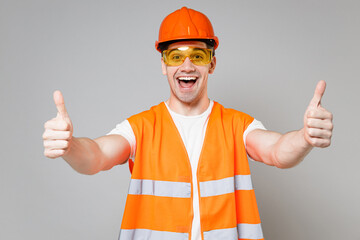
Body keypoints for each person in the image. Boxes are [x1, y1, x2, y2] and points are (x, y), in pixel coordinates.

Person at [42, 6, 333, 240]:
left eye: (198, 55)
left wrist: (305, 138)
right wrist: (70, 147)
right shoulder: (142, 127)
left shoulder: (237, 125)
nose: (187, 66)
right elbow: (96, 157)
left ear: (212, 63)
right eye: (175, 56)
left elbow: (278, 151)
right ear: (164, 65)